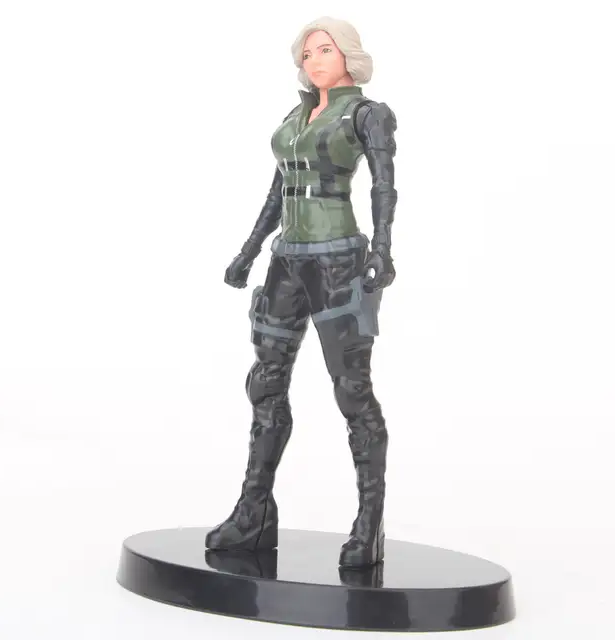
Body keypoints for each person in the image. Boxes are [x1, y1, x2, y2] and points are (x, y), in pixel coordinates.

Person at [205, 16, 397, 567]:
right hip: (286, 260)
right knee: (266, 382)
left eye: (325, 50)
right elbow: (279, 191)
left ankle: (369, 525)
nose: (313, 60)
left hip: (338, 260)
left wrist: (383, 248)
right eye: (307, 53)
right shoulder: (295, 119)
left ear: (348, 56)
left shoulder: (365, 114)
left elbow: (384, 185)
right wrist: (248, 251)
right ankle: (254, 513)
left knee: (352, 390)